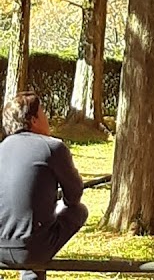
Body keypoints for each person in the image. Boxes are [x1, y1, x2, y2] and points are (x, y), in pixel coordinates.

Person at [0, 93, 88, 280]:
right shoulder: (53, 147)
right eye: (43, 113)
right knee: (79, 211)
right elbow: (74, 196)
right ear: (33, 120)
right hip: (32, 249)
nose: (47, 119)